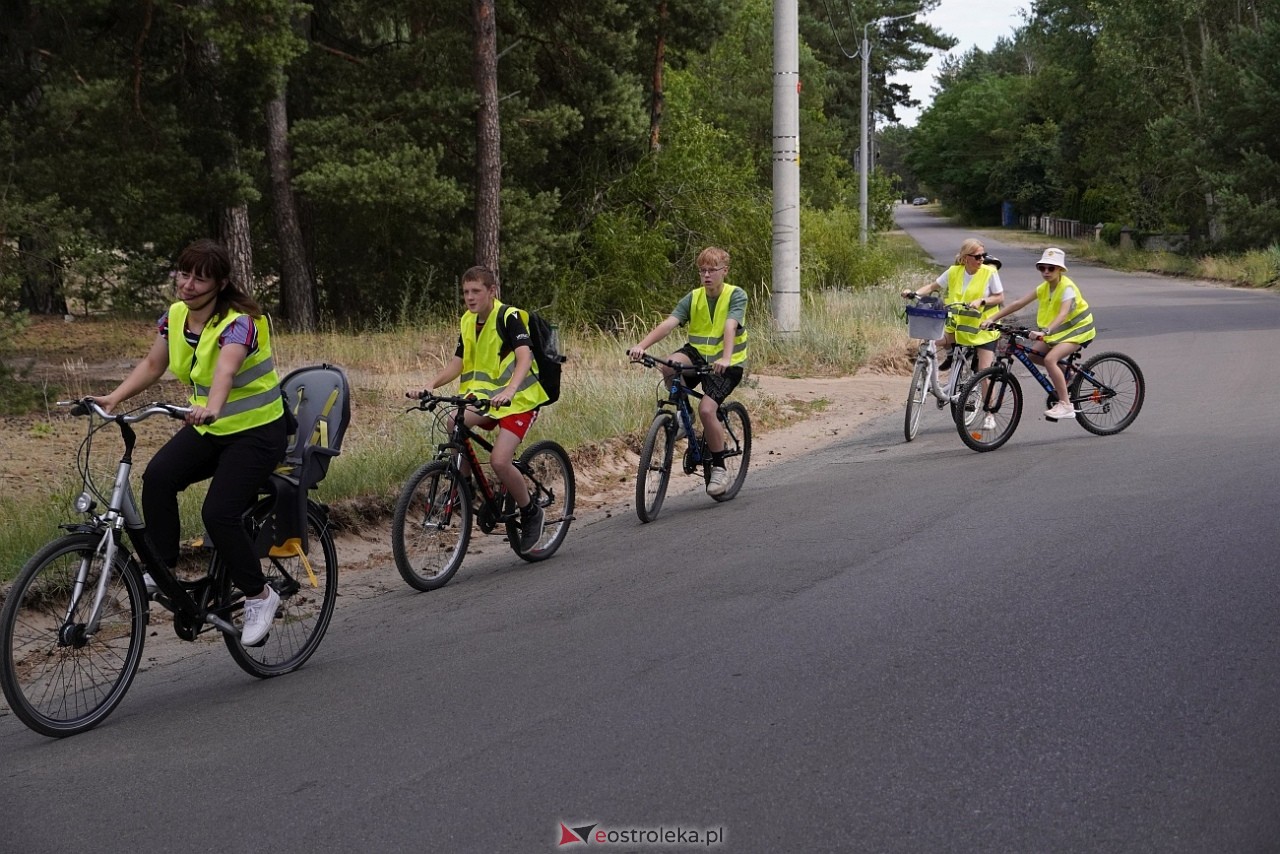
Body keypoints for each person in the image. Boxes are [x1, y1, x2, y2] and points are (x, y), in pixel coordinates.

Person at [92, 239, 286, 646]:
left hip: (256, 434)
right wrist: (113, 398)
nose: (189, 284)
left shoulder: (240, 322)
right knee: (159, 476)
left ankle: (259, 595)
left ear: (221, 283)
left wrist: (212, 406)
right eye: (184, 273)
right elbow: (153, 364)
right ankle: (162, 569)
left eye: (201, 278)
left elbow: (226, 372)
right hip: (211, 430)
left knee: (219, 513)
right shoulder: (176, 317)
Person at [408, 265, 548, 551]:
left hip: (519, 399)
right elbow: (458, 363)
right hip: (486, 399)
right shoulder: (468, 321)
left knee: (499, 461)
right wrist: (431, 385)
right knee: (453, 423)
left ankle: (532, 512)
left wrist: (510, 390)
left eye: (476, 291)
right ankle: (465, 487)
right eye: (465, 292)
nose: (470, 298)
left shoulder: (508, 317)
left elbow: (524, 357)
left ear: (491, 291)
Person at [626, 246, 748, 497]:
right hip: (697, 355)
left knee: (708, 409)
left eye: (712, 270)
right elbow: (669, 324)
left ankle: (719, 468)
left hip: (727, 364)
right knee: (668, 364)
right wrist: (641, 346)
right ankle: (684, 415)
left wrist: (725, 358)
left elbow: (730, 325)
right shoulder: (694, 297)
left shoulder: (736, 295)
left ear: (724, 271)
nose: (706, 275)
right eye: (702, 270)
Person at [982, 247, 1096, 420]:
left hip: (1078, 330)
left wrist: (1045, 331)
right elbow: (1018, 303)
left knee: (1050, 360)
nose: (1046, 272)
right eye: (1042, 268)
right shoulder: (1044, 288)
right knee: (1034, 356)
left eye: (1051, 268)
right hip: (1059, 332)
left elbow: (1063, 313)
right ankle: (1069, 375)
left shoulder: (1067, 287)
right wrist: (992, 318)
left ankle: (1066, 404)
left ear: (1060, 270)